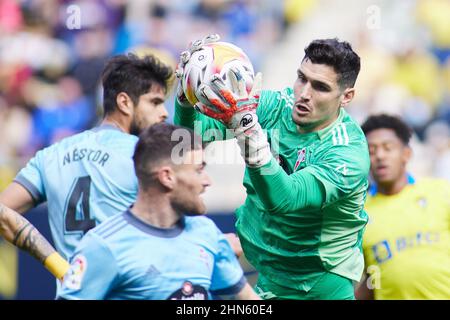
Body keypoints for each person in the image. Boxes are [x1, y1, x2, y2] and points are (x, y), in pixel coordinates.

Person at [175, 35, 370, 299]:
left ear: (346, 97)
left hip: (319, 286)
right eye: (302, 78)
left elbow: (284, 199)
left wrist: (250, 135)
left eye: (320, 87)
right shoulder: (277, 106)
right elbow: (190, 142)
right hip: (268, 275)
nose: (304, 94)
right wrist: (187, 97)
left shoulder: (347, 152)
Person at [0, 53, 172, 279]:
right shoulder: (143, 154)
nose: (164, 112)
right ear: (124, 102)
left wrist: (56, 264)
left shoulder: (52, 155)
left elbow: (3, 211)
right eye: (155, 102)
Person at [57, 123, 259, 300]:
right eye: (198, 170)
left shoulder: (207, 234)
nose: (207, 181)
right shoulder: (103, 247)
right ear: (167, 177)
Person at [355, 114, 450, 300]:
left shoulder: (441, 192)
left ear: (406, 154)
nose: (380, 156)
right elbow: (370, 279)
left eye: (388, 148)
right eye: (371, 151)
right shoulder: (359, 214)